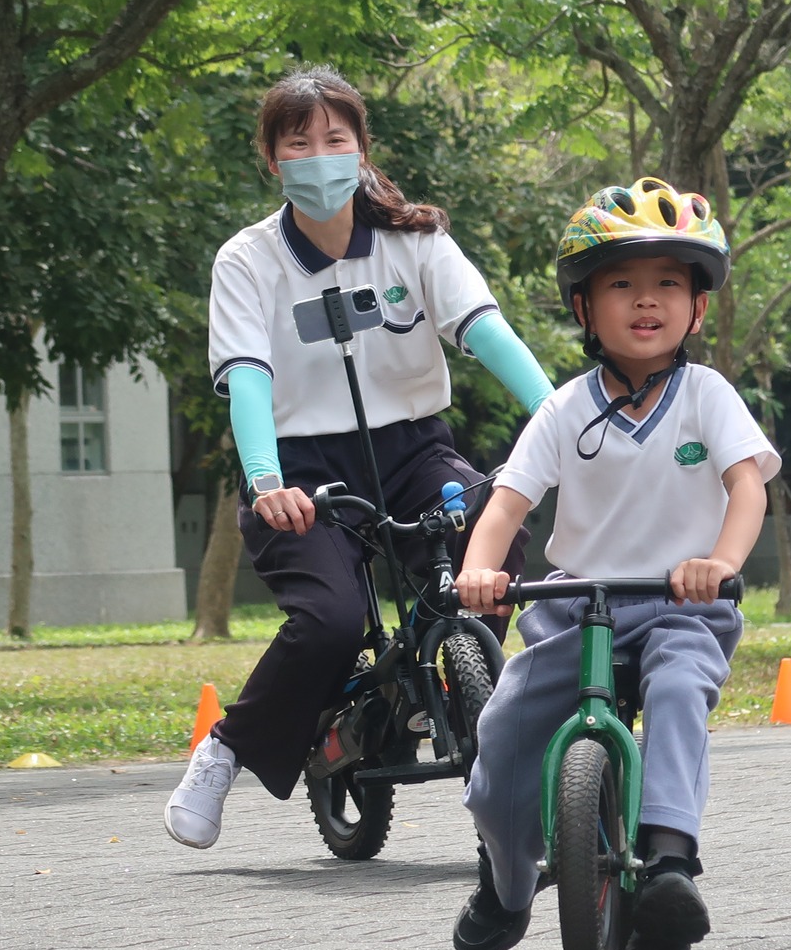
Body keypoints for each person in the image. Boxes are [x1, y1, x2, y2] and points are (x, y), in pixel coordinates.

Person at [164, 66, 555, 849]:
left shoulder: (416, 242)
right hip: (299, 468)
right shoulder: (247, 261)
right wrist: (267, 480)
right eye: (298, 143)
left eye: (334, 139)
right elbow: (247, 377)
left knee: (491, 525)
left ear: (362, 149)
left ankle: (452, 676)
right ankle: (227, 749)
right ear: (272, 162)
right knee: (331, 623)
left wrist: (565, 425)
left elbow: (485, 333)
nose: (318, 156)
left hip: (414, 449)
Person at [450, 178, 779, 950]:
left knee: (676, 687)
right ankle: (505, 882)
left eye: (669, 284)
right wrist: (477, 577)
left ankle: (669, 865)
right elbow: (504, 509)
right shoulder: (564, 410)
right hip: (576, 608)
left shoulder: (707, 396)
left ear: (697, 308)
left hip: (680, 606)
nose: (646, 302)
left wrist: (719, 564)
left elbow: (747, 487)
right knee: (501, 734)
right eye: (622, 285)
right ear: (583, 308)